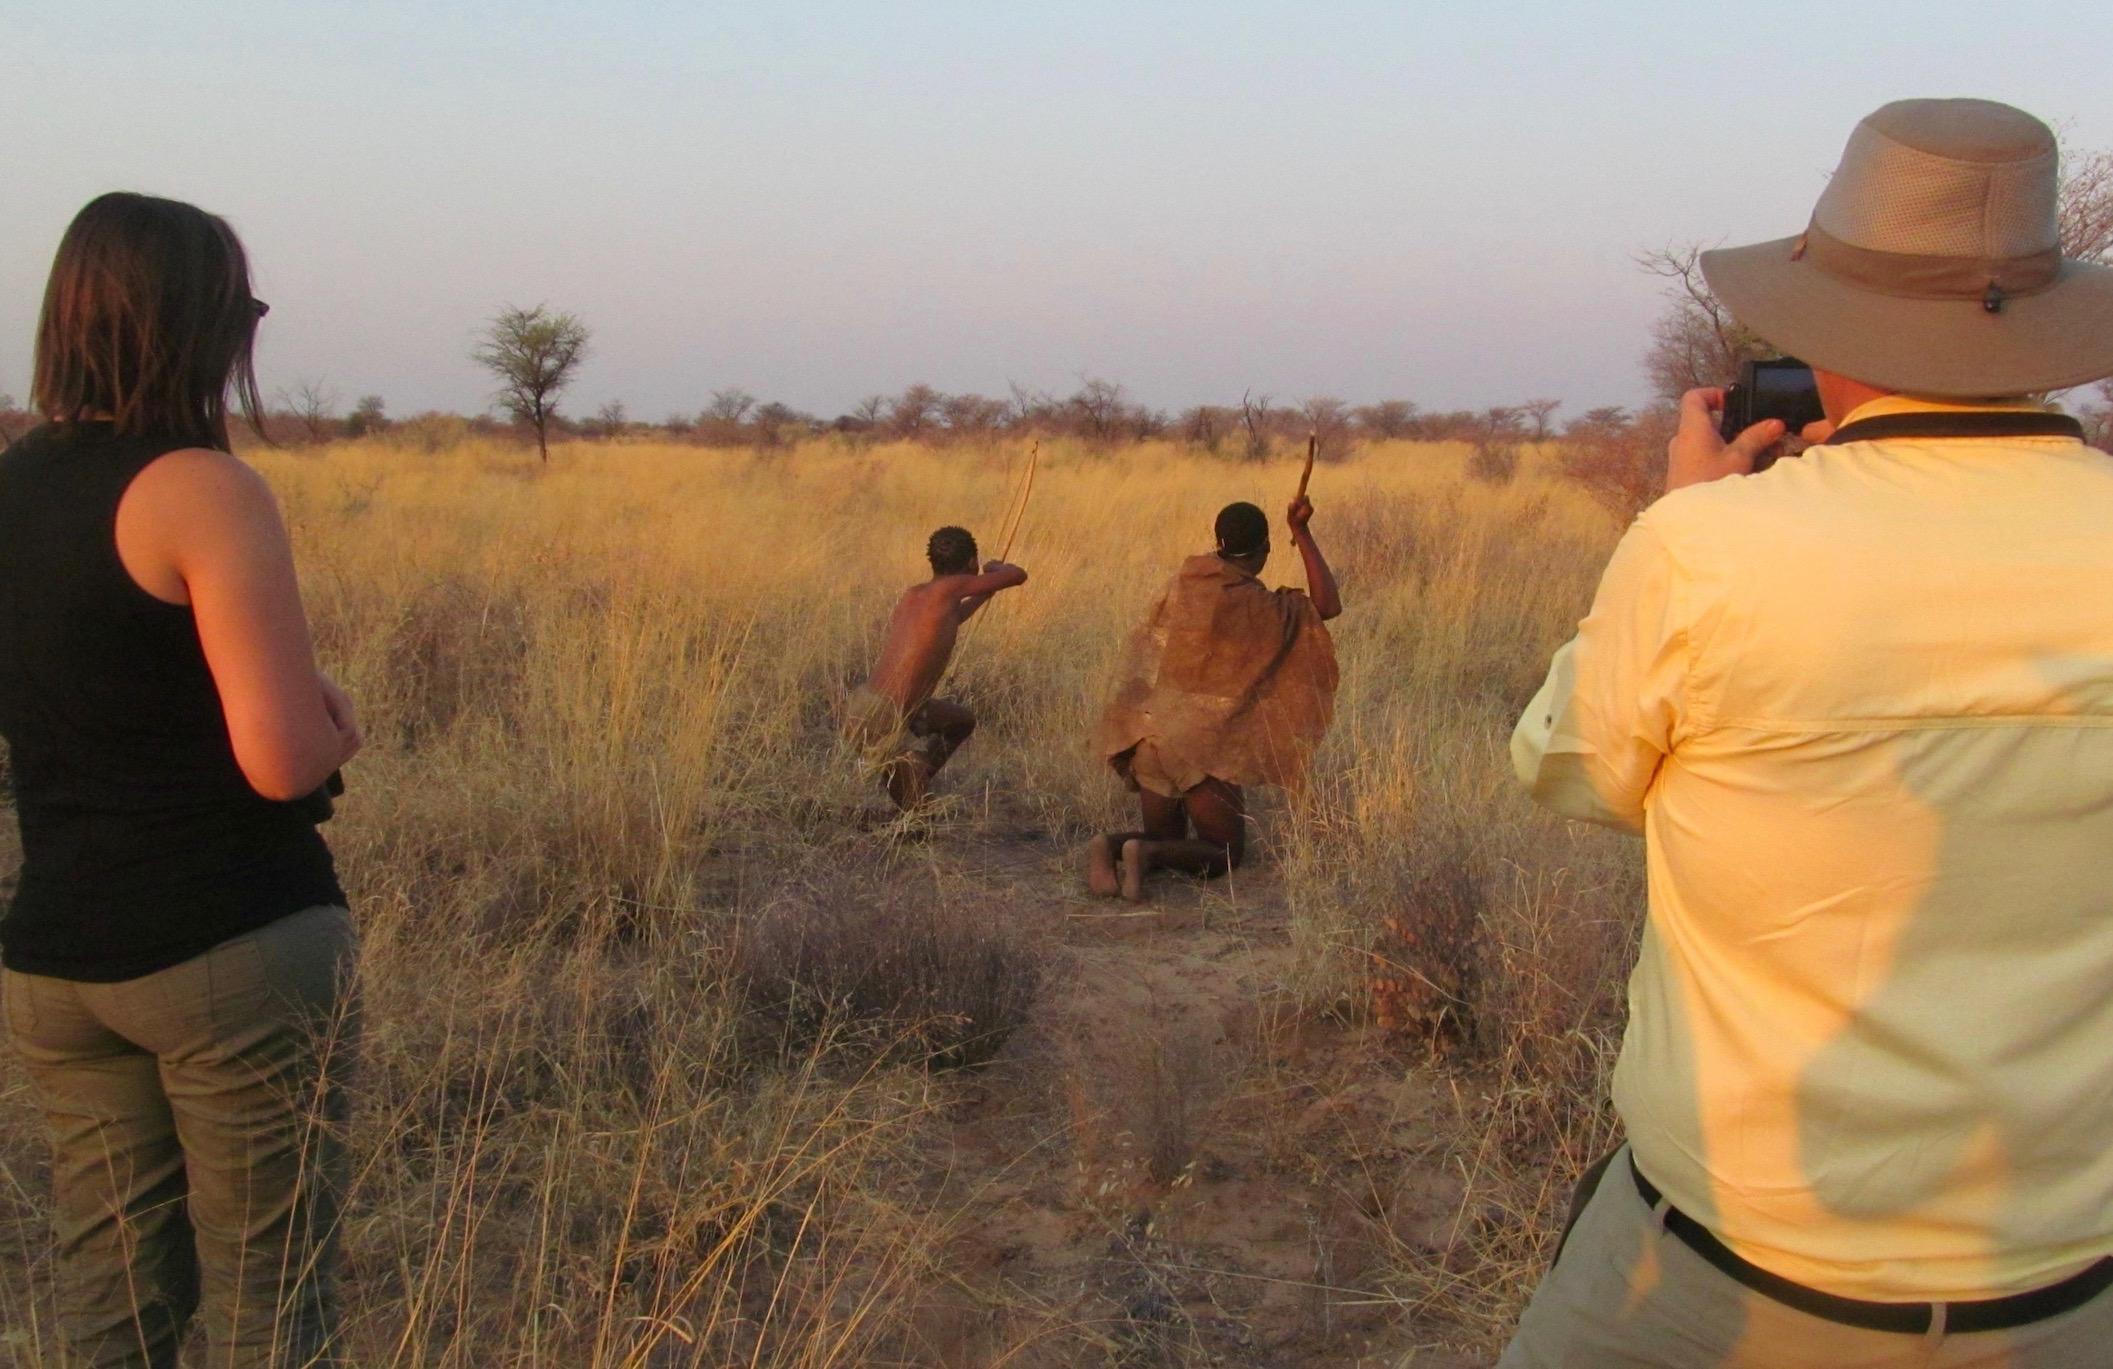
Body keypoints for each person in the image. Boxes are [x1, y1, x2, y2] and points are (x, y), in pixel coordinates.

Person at [1503, 99, 2113, 1367]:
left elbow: (1570, 771)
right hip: (2063, 1281)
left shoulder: (1710, 550)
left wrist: (1677, 523)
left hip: (1726, 1274)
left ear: (1824, 328)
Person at [0, 193, 364, 1366]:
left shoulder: (11, 483)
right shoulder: (201, 489)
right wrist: (332, 722)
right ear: (197, 323)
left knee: (110, 1290)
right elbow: (279, 762)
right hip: (225, 939)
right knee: (272, 1297)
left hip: (57, 959)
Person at [1089, 495, 1340, 900]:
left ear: (1218, 543)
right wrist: (1301, 531)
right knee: (1224, 853)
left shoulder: (1189, 580)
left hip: (1147, 735)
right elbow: (1327, 605)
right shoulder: (1259, 606)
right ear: (1264, 550)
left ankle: (1112, 846)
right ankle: (1142, 854)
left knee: (1167, 837)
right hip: (1197, 745)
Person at [846, 525, 1027, 809]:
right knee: (918, 825)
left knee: (960, 721)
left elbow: (950, 620)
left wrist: (983, 594)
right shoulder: (951, 588)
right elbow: (1017, 576)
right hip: (882, 719)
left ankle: (915, 775)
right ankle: (906, 787)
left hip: (869, 706)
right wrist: (995, 568)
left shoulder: (917, 595)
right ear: (971, 562)